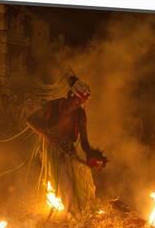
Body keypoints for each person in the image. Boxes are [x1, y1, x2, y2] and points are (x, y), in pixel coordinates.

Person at [26, 77, 107, 217]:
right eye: (77, 99)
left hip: (68, 151)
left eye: (82, 101)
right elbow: (30, 119)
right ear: (70, 94)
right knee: (65, 186)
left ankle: (72, 215)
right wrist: (48, 136)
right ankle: (66, 216)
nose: (79, 104)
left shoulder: (81, 115)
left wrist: (93, 156)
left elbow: (84, 143)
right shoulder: (54, 106)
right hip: (51, 150)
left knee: (81, 187)